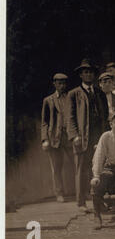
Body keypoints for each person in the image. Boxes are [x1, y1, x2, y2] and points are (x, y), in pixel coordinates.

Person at [67, 59, 109, 212]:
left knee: (98, 169)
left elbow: (106, 116)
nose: (88, 74)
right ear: (81, 75)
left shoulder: (99, 93)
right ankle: (81, 203)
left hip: (99, 137)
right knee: (82, 170)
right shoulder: (73, 94)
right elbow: (70, 117)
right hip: (82, 138)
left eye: (91, 72)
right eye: (85, 72)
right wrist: (74, 136)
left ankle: (98, 200)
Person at [41, 73, 74, 203]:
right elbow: (44, 122)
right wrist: (45, 139)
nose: (62, 86)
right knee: (56, 167)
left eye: (64, 83)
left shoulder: (71, 98)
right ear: (54, 84)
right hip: (54, 137)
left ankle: (82, 192)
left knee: (77, 164)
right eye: (59, 83)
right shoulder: (48, 100)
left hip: (70, 137)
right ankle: (59, 193)